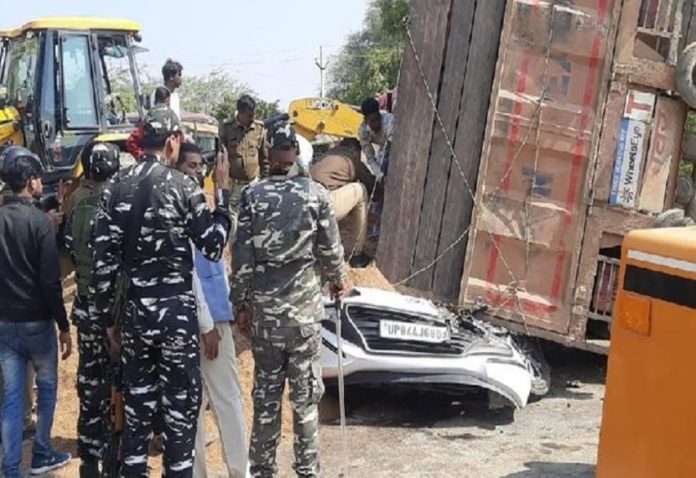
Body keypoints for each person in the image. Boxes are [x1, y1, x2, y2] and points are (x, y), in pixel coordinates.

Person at [91, 107, 232, 477]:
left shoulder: (114, 189)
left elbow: (102, 267)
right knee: (179, 422)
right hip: (177, 323)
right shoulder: (184, 187)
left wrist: (109, 322)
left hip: (136, 320)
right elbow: (214, 245)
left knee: (136, 421)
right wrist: (224, 195)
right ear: (172, 142)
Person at [231, 125, 350, 478]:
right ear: (294, 154)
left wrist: (241, 305)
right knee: (305, 401)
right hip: (304, 319)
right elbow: (331, 251)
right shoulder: (315, 195)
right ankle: (307, 471)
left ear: (268, 154)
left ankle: (263, 471)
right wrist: (339, 282)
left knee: (266, 400)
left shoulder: (251, 196)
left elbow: (242, 260)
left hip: (266, 320)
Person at [175, 143, 249, 478]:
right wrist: (207, 324)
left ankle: (235, 470)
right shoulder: (180, 209)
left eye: (199, 166)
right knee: (218, 402)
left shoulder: (194, 206)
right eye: (189, 166)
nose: (196, 171)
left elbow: (223, 237)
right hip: (205, 322)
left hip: (208, 317)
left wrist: (222, 191)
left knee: (209, 403)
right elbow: (190, 271)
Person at [0, 146, 72, 478]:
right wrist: (63, 324)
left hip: (5, 324)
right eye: (38, 177)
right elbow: (49, 280)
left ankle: (11, 467)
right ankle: (42, 452)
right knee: (46, 387)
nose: (41, 182)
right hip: (38, 323)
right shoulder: (40, 223)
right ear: (31, 182)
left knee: (13, 398)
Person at [63, 142, 120, 477]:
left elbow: (69, 249)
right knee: (117, 384)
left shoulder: (77, 205)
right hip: (113, 314)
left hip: (85, 309)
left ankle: (88, 457)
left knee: (89, 381)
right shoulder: (118, 206)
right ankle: (114, 451)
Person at [310, 138, 376, 267]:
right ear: (355, 150)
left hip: (308, 202)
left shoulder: (327, 155)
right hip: (323, 204)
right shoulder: (350, 157)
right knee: (359, 190)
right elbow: (371, 185)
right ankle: (357, 255)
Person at [219, 94, 268, 239]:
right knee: (233, 225)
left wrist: (265, 182)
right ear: (239, 113)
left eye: (253, 114)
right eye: (248, 115)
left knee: (256, 221)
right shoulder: (226, 129)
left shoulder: (259, 129)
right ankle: (235, 253)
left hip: (254, 183)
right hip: (234, 185)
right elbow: (220, 156)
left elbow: (264, 158)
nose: (252, 118)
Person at [127, 86, 171, 160]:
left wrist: (140, 155)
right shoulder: (172, 116)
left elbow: (132, 141)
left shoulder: (149, 117)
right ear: (167, 100)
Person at [359, 97, 395, 176]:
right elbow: (370, 158)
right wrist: (378, 173)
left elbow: (394, 144)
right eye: (372, 121)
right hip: (384, 152)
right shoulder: (363, 131)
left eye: (377, 119)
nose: (376, 123)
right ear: (365, 120)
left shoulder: (389, 121)